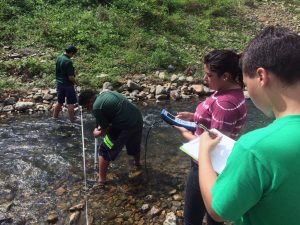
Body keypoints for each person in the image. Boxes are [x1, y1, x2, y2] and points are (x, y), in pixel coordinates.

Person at [198, 26, 300, 225]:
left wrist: (203, 153)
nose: (246, 92)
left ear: (261, 76)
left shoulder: (256, 148)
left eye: (245, 84)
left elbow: (219, 211)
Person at [174, 50, 247, 225]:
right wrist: (195, 117)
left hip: (206, 168)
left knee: (192, 220)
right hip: (210, 165)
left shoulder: (225, 103)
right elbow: (215, 127)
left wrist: (185, 134)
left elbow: (216, 147)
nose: (205, 78)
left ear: (225, 76)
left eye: (209, 75)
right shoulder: (226, 93)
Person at [78, 90, 143, 185]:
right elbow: (105, 118)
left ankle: (101, 180)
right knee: (134, 145)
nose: (87, 109)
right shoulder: (104, 94)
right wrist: (99, 126)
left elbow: (106, 129)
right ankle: (138, 165)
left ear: (90, 100)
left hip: (124, 125)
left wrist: (98, 133)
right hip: (137, 119)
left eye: (86, 106)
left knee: (104, 150)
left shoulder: (96, 107)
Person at [53, 45, 79, 122]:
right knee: (71, 103)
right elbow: (70, 77)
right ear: (71, 53)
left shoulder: (59, 57)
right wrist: (76, 83)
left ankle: (54, 118)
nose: (72, 56)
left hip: (59, 84)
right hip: (68, 85)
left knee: (59, 102)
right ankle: (72, 120)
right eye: (73, 54)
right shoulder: (68, 61)